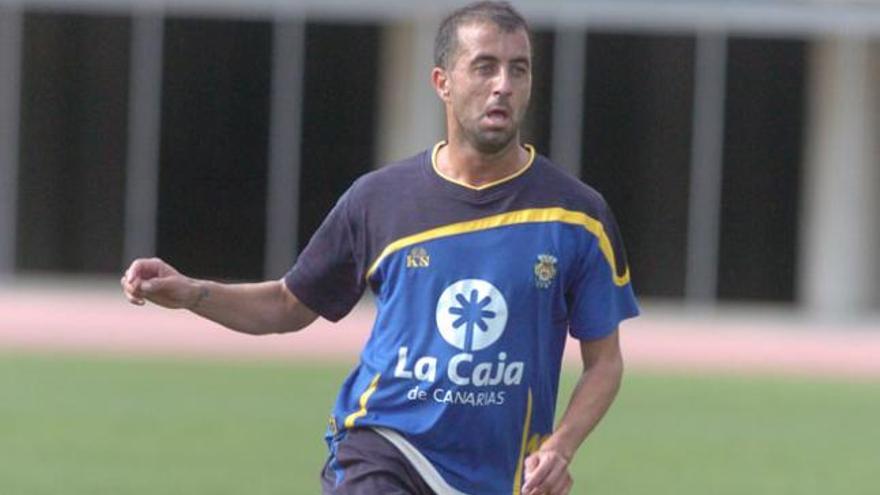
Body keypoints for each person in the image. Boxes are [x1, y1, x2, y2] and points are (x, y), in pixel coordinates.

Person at [120, 2, 639, 494]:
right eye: (484, 67)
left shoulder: (577, 216)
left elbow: (604, 363)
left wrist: (562, 447)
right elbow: (287, 304)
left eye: (518, 69)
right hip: (383, 446)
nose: (502, 85)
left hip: (498, 474)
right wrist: (192, 294)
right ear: (443, 82)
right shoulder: (380, 200)